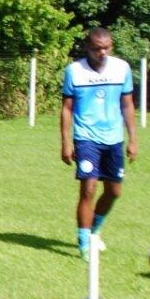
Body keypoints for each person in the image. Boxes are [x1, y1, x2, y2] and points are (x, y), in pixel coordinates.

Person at [60, 27, 137, 260]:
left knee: (114, 192)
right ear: (88, 48)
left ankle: (93, 229)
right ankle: (84, 244)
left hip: (114, 138)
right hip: (86, 137)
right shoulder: (74, 71)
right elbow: (66, 108)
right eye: (96, 49)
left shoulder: (122, 68)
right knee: (89, 188)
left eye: (106, 48)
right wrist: (65, 142)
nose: (102, 52)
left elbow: (127, 104)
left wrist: (133, 138)